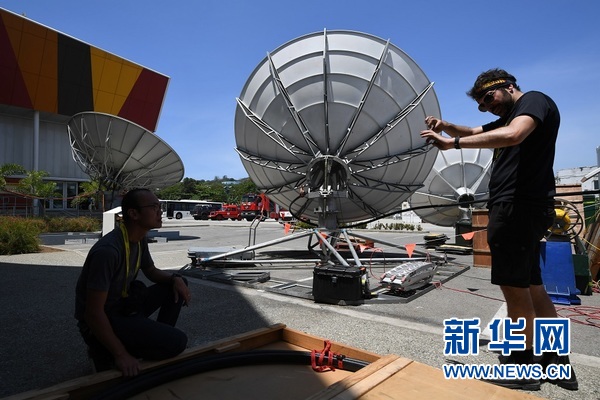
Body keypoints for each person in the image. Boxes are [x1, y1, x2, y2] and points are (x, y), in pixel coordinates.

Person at [420, 68, 577, 391]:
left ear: (508, 86)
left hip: (515, 208)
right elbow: (476, 130)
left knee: (514, 291)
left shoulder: (532, 102)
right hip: (526, 209)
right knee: (533, 287)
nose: (487, 107)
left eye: (489, 98)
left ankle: (521, 369)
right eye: (481, 104)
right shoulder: (510, 116)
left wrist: (453, 144)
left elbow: (513, 135)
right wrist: (447, 126)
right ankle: (556, 362)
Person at [75, 188, 191, 377]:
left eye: (159, 207)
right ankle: (105, 350)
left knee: (177, 283)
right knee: (178, 342)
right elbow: (92, 313)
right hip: (103, 318)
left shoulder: (138, 239)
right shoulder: (108, 251)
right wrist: (121, 355)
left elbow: (151, 271)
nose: (160, 211)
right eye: (154, 207)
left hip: (123, 307)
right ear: (134, 214)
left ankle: (153, 341)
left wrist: (175, 278)